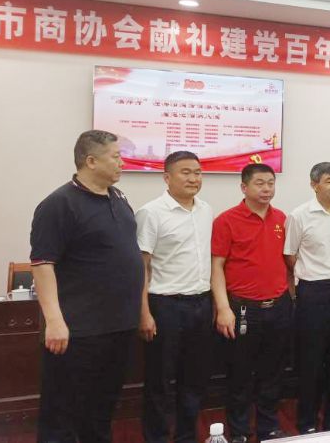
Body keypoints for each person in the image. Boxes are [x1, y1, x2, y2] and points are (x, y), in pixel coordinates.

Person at [30, 130, 144, 443]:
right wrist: (54, 321)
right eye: (116, 157)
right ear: (91, 161)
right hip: (78, 331)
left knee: (101, 410)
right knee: (63, 414)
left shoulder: (118, 197)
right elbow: (42, 264)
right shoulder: (59, 204)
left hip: (118, 326)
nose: (122, 163)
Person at [135, 151, 214, 443]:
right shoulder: (151, 213)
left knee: (194, 379)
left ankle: (186, 436)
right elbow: (141, 267)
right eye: (186, 172)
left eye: (198, 172)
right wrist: (144, 313)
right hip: (164, 306)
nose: (194, 178)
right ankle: (156, 437)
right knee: (159, 381)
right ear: (167, 177)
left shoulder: (206, 210)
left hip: (201, 303)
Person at [211, 163, 291, 443]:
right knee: (240, 375)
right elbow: (216, 266)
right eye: (260, 183)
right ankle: (240, 432)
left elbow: (287, 263)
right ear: (244, 187)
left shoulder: (281, 218)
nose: (267, 189)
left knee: (272, 374)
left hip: (279, 307)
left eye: (270, 183)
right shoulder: (226, 220)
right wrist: (223, 308)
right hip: (242, 309)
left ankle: (269, 428)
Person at [284, 162, 330, 434]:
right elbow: (290, 255)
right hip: (313, 293)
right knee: (310, 361)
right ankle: (307, 423)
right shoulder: (299, 215)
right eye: (329, 181)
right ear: (314, 185)